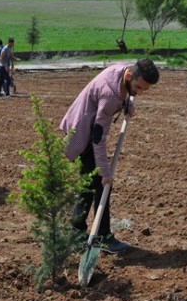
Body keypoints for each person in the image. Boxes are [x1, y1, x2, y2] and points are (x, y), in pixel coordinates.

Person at [60, 58, 160, 254]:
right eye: (138, 88)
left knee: (92, 185)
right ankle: (98, 236)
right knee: (96, 183)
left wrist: (127, 104)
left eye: (143, 91)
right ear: (130, 76)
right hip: (82, 136)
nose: (139, 93)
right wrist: (105, 172)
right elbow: (98, 139)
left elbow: (124, 91)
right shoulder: (110, 98)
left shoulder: (122, 71)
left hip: (81, 125)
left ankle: (85, 233)